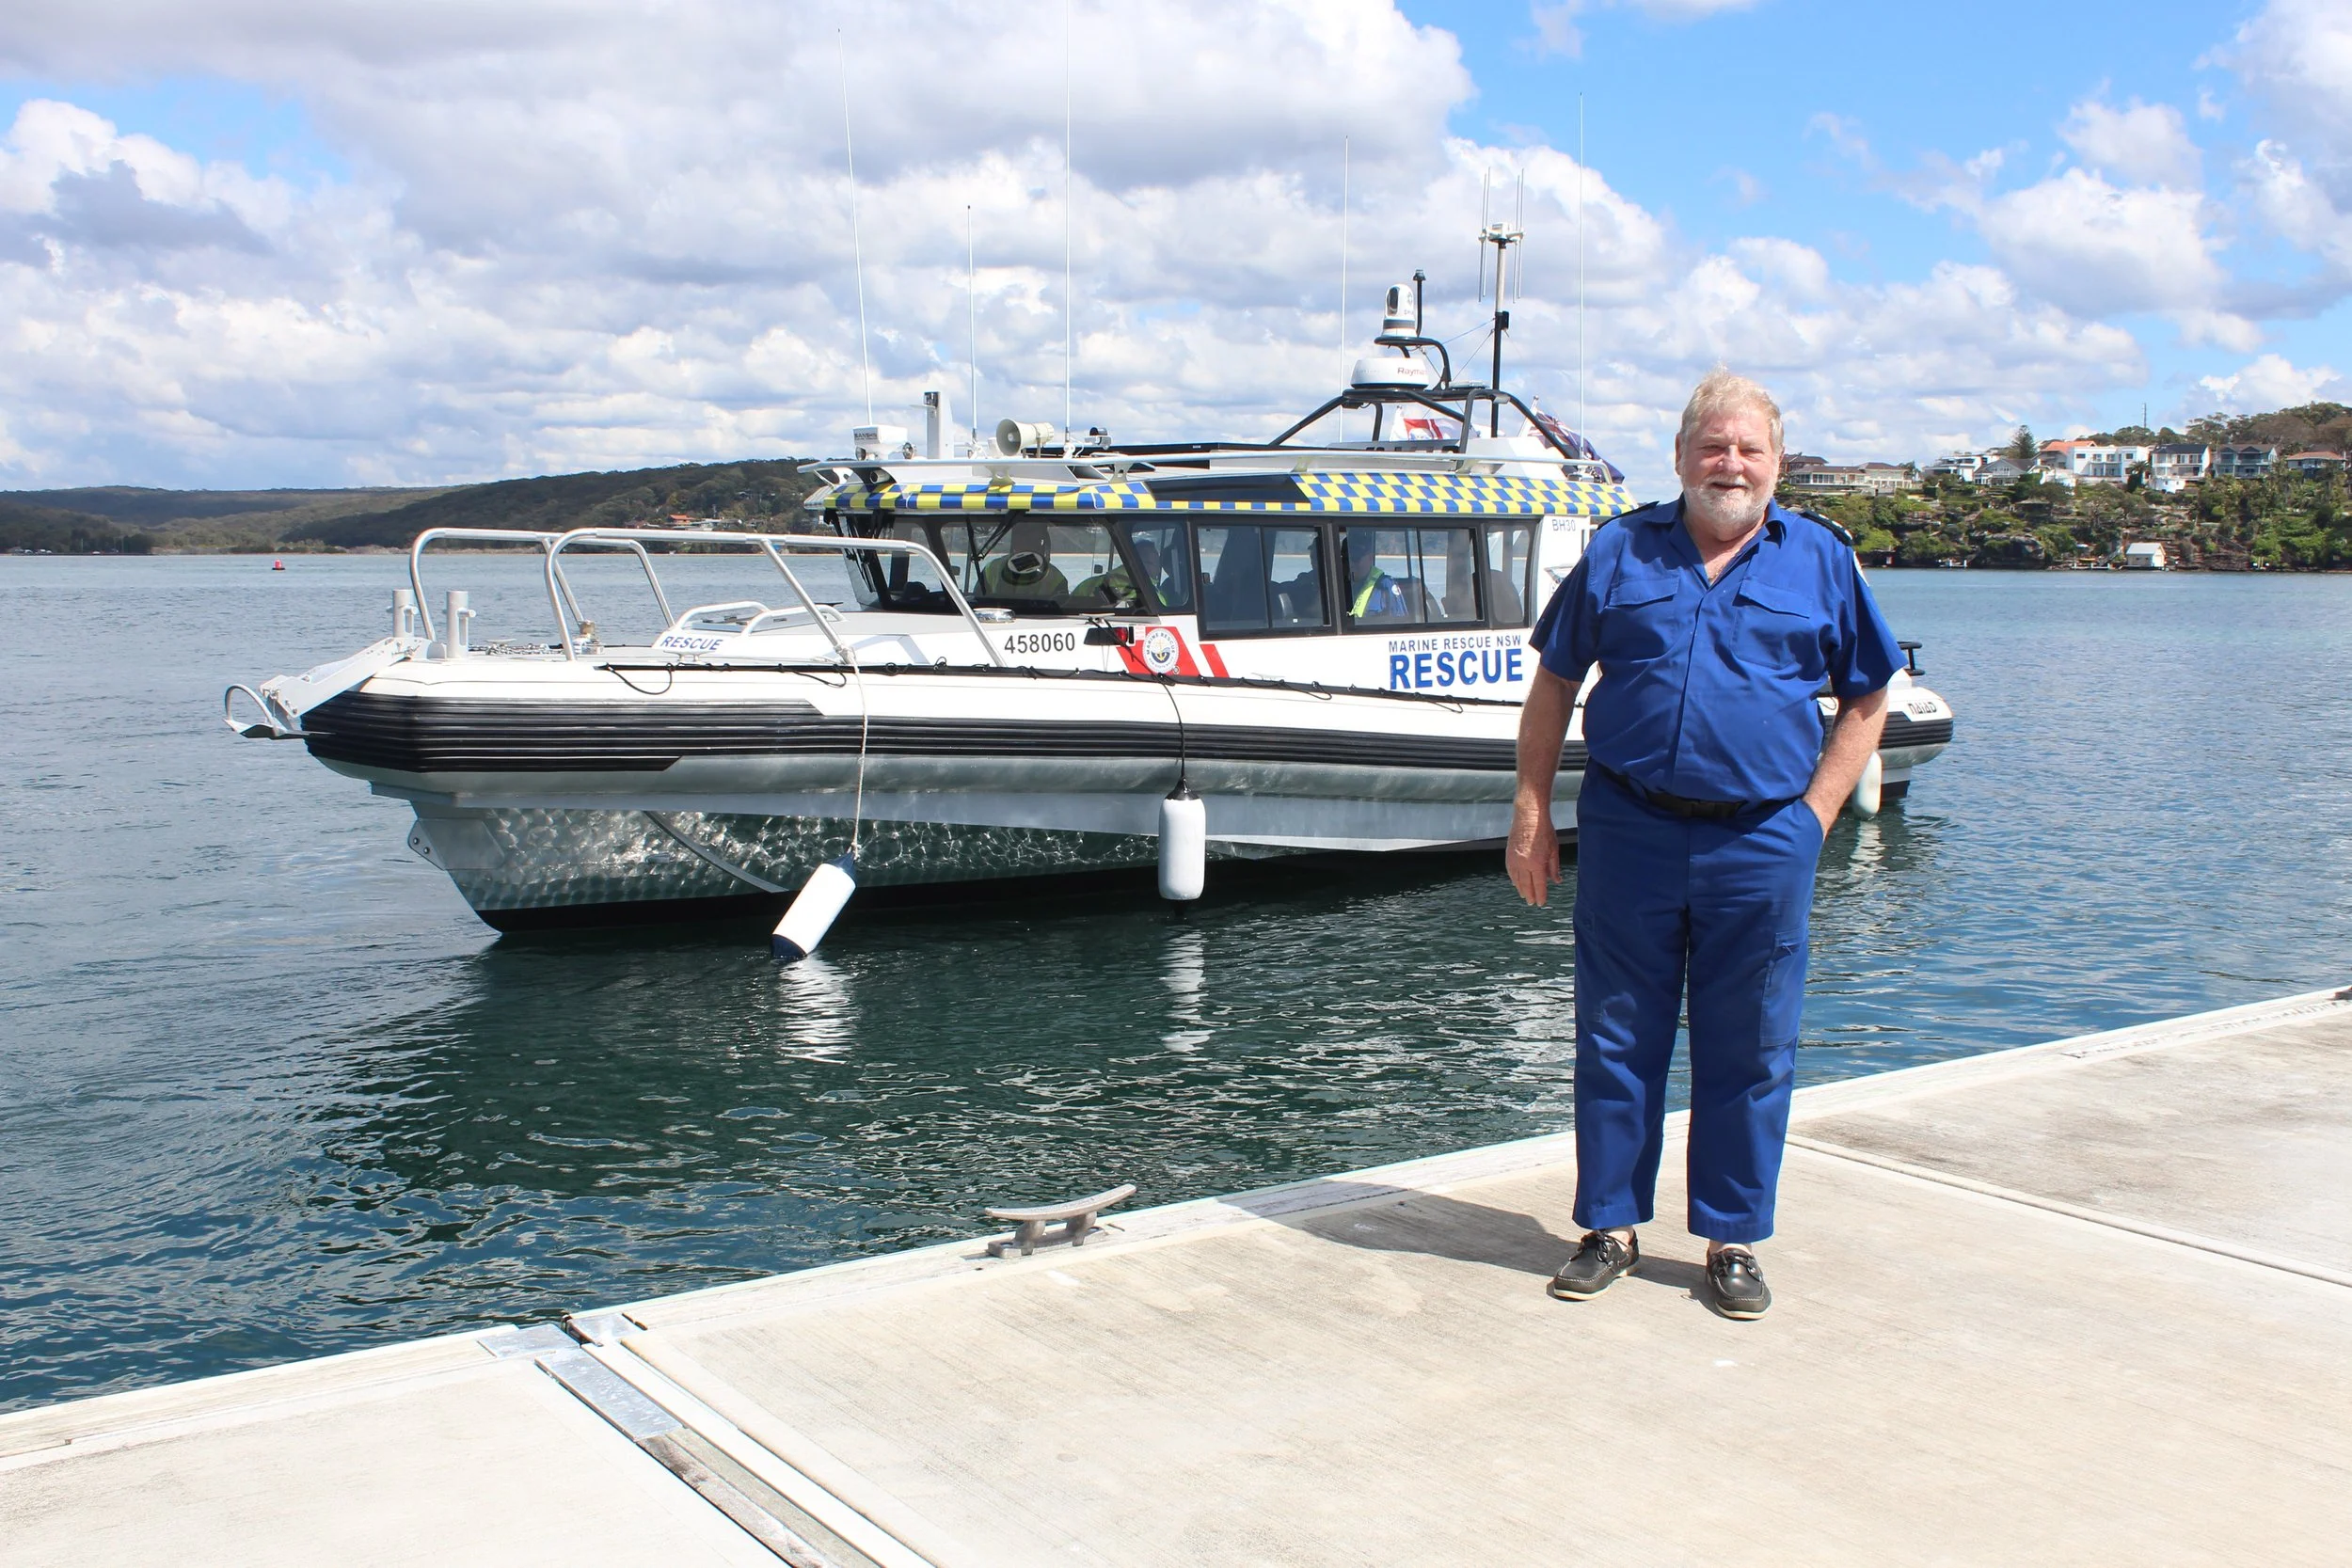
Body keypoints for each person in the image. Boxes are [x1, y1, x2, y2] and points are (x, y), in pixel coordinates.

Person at [1507, 369, 1899, 1320]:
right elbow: (1555, 684)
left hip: (1763, 837)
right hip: (1629, 826)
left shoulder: (1819, 561)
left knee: (1751, 1045)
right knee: (1614, 1036)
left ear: (1775, 462)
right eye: (1712, 446)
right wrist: (1528, 812)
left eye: (1748, 448)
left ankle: (1731, 1237)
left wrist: (1813, 816)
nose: (1730, 463)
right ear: (1680, 456)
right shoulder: (1618, 551)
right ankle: (1608, 1226)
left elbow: (1868, 696)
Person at [977, 519, 1070, 600]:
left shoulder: (1056, 578)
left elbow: (1062, 609)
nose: (1025, 539)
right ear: (1014, 538)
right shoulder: (991, 569)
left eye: (1031, 533)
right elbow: (977, 602)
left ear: (1041, 539)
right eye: (1021, 533)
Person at [1346, 530, 1411, 620]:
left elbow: (1401, 622)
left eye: (1355, 558)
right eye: (1346, 557)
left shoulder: (1385, 585)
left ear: (1370, 558)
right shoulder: (1335, 587)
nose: (1350, 563)